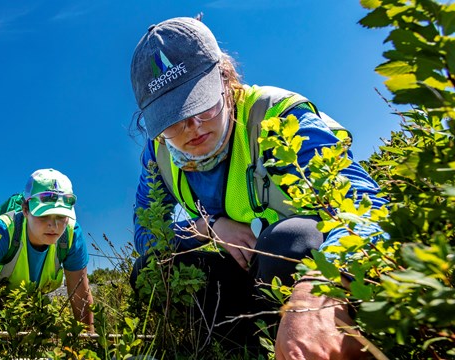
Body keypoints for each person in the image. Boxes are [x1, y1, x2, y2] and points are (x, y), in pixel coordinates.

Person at [129, 17, 386, 359]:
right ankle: (239, 347)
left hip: (305, 269)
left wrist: (320, 290)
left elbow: (367, 209)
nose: (190, 127)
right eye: (170, 119)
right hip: (244, 278)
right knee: (149, 269)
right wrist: (209, 228)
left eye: (198, 104)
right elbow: (148, 236)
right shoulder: (158, 153)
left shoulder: (277, 115)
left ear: (225, 78)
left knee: (287, 239)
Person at [0, 168, 94, 330]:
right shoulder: (1, 231)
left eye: (61, 216)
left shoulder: (72, 235)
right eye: (44, 215)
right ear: (26, 210)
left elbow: (80, 296)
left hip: (32, 306)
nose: (53, 225)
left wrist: (89, 346)